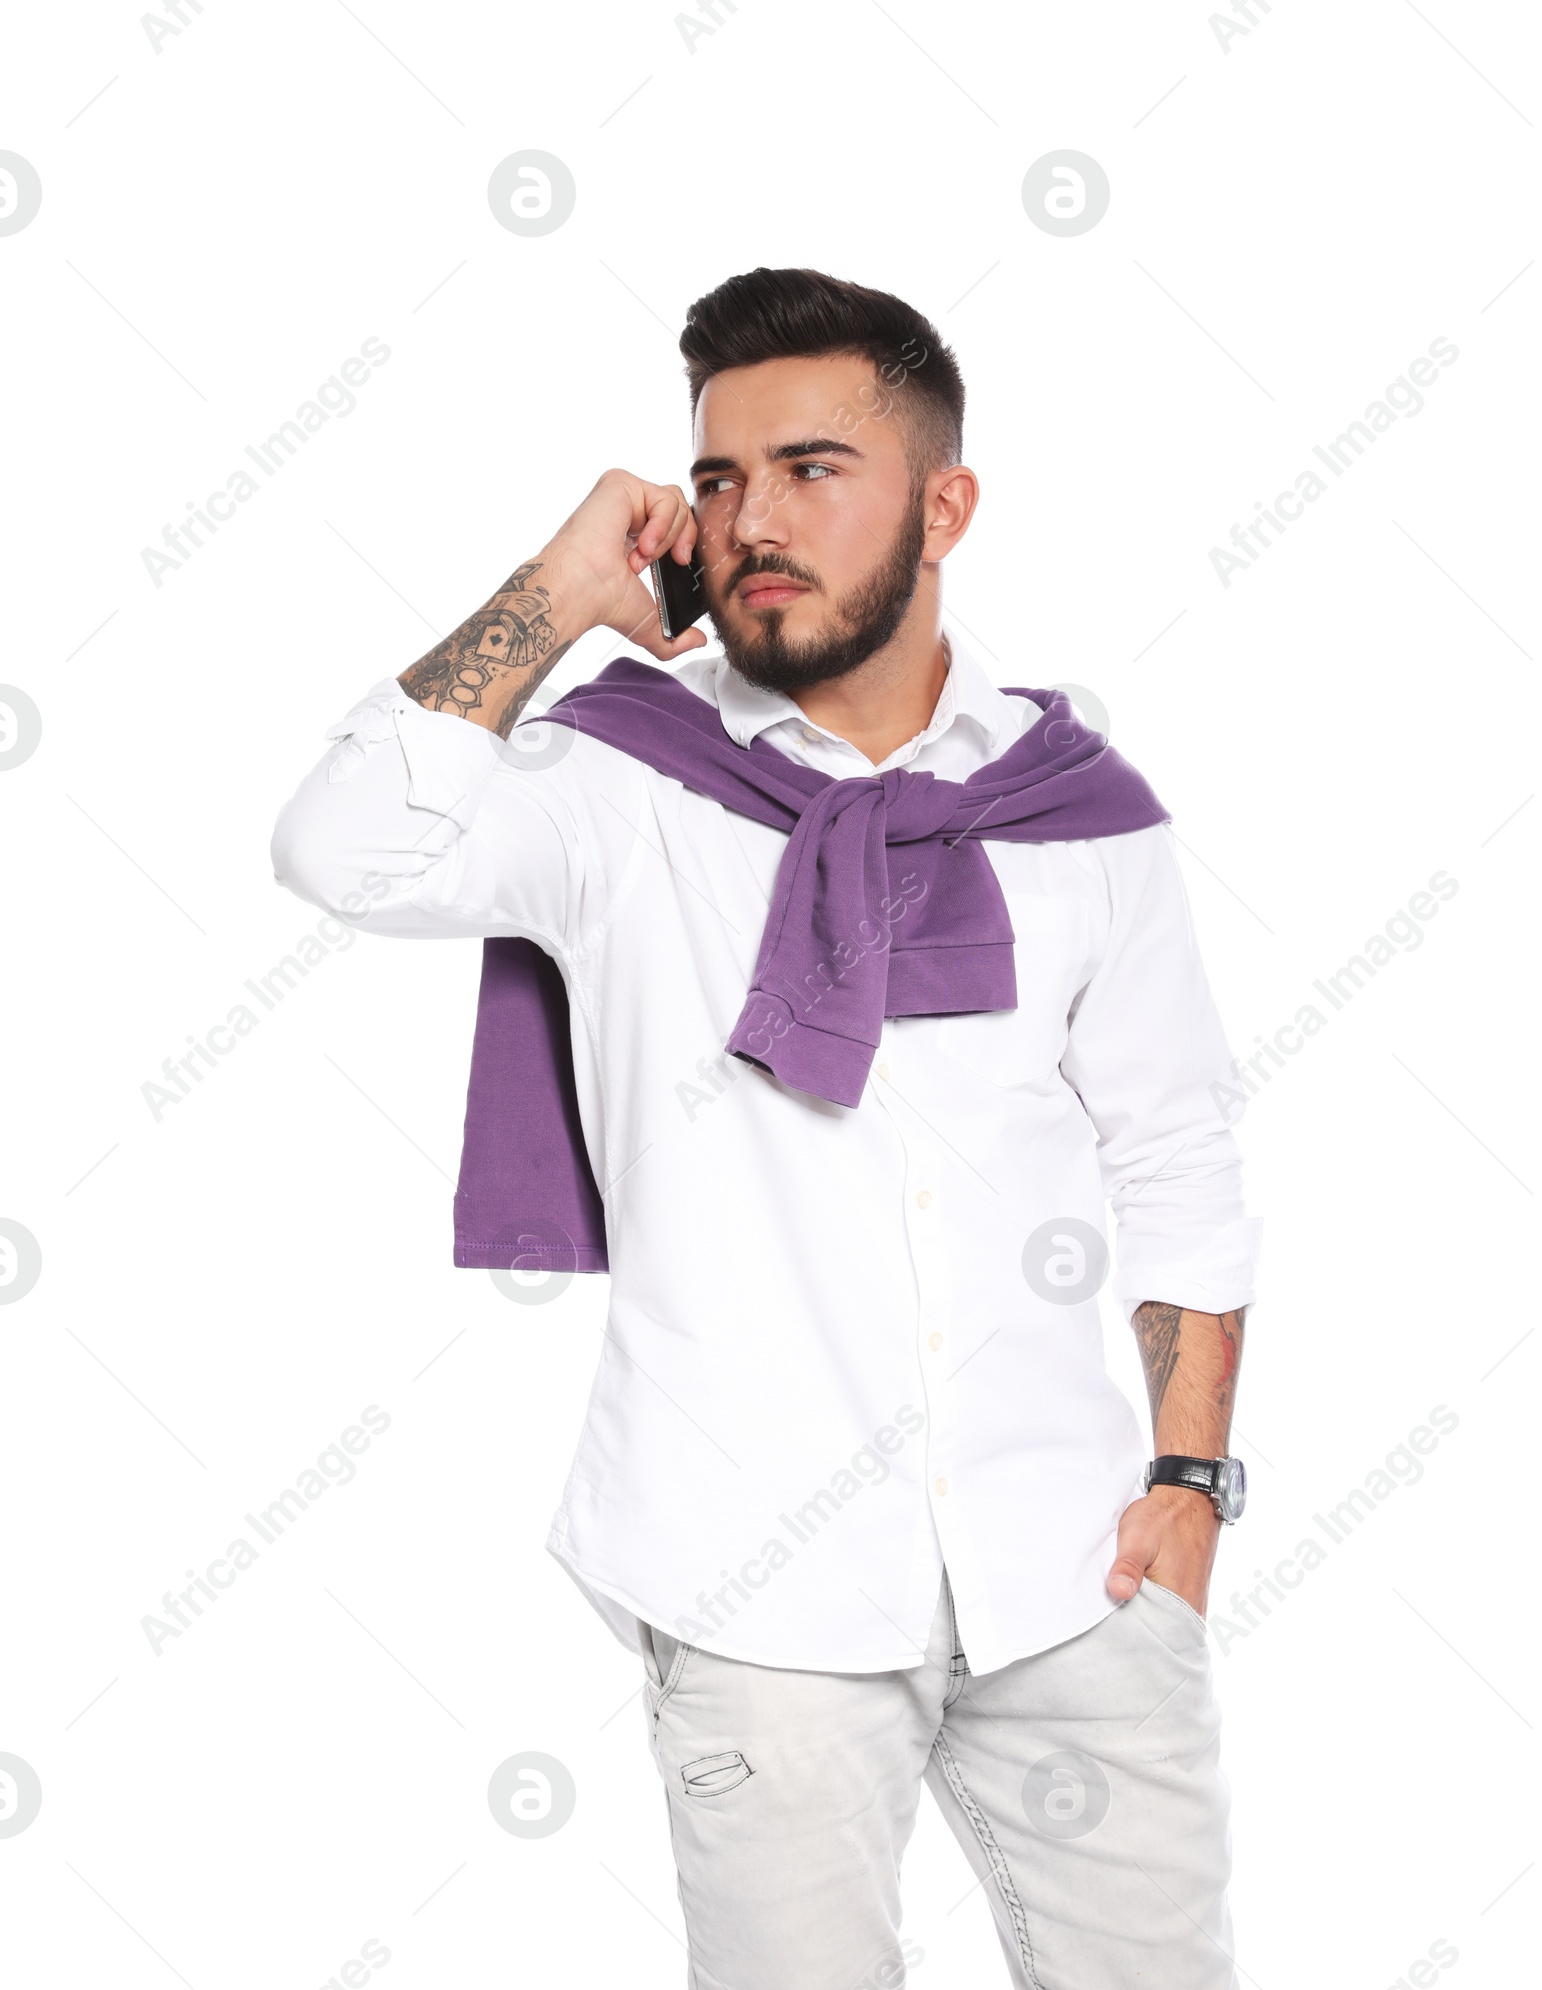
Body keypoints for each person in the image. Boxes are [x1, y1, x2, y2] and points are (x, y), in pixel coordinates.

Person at [271, 267, 1260, 1990]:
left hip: (1071, 1568)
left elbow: (1178, 1155)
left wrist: (1187, 1483)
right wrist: (558, 592)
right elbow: (340, 845)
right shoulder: (615, 787)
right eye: (719, 481)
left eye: (813, 468)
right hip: (752, 1595)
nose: (751, 521)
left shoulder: (1075, 808)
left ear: (945, 504)